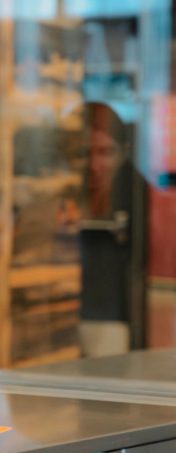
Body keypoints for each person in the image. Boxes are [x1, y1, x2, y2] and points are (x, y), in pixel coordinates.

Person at [75, 102, 148, 356]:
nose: (94, 165)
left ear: (125, 152)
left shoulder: (139, 197)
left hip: (112, 320)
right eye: (84, 153)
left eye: (105, 152)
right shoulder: (57, 194)